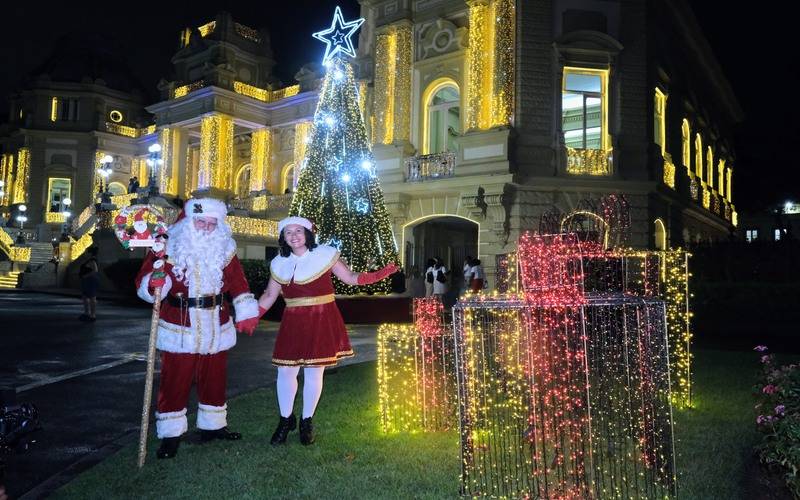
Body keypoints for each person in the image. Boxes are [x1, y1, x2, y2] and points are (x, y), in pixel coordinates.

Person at [134, 198, 260, 459]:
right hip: (180, 325)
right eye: (200, 221)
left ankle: (213, 426)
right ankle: (171, 434)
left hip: (216, 322)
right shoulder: (166, 247)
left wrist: (246, 309)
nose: (205, 227)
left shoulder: (225, 248)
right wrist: (154, 283)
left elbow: (237, 280)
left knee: (215, 378)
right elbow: (144, 282)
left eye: (211, 223)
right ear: (189, 221)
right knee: (175, 380)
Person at [256, 216, 397, 446]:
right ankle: (285, 419)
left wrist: (378, 274)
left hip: (321, 318)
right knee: (286, 371)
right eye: (288, 232)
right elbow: (270, 295)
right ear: (283, 237)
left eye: (298, 231)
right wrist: (251, 317)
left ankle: (306, 421)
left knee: (313, 372)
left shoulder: (325, 255)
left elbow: (350, 278)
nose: (294, 235)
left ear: (308, 233)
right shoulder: (279, 263)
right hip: (293, 320)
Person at [79, 247, 99, 321]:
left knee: (92, 297)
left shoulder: (92, 261)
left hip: (90, 281)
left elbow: (95, 270)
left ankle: (92, 315)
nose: (85, 253)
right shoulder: (89, 260)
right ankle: (87, 313)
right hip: (87, 280)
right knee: (85, 297)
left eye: (86, 252)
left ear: (90, 253)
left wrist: (85, 276)